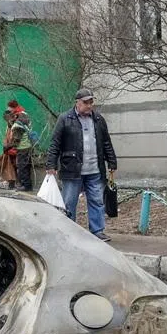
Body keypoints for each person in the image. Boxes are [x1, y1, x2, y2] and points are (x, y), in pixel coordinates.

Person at [46, 88, 117, 242]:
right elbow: (55, 143)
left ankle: (97, 231)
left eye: (91, 102)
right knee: (69, 202)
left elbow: (106, 142)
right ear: (77, 103)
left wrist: (112, 161)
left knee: (97, 200)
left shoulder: (98, 119)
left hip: (95, 169)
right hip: (71, 169)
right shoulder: (65, 118)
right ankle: (68, 231)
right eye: (86, 102)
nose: (89, 105)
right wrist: (51, 165)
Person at [8, 111, 34, 192]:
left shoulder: (17, 126)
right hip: (28, 148)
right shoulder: (25, 125)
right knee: (26, 167)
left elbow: (16, 140)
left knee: (22, 167)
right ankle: (28, 185)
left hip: (23, 149)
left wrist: (7, 147)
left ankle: (25, 186)